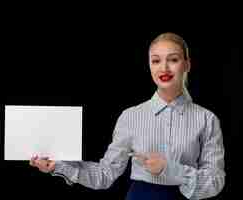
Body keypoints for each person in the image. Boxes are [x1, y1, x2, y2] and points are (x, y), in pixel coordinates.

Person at [29, 32, 225, 200]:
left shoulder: (207, 119)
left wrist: (170, 170)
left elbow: (215, 182)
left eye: (173, 60)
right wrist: (59, 166)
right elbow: (105, 175)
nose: (164, 68)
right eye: (156, 60)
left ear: (187, 65)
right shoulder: (130, 117)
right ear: (149, 65)